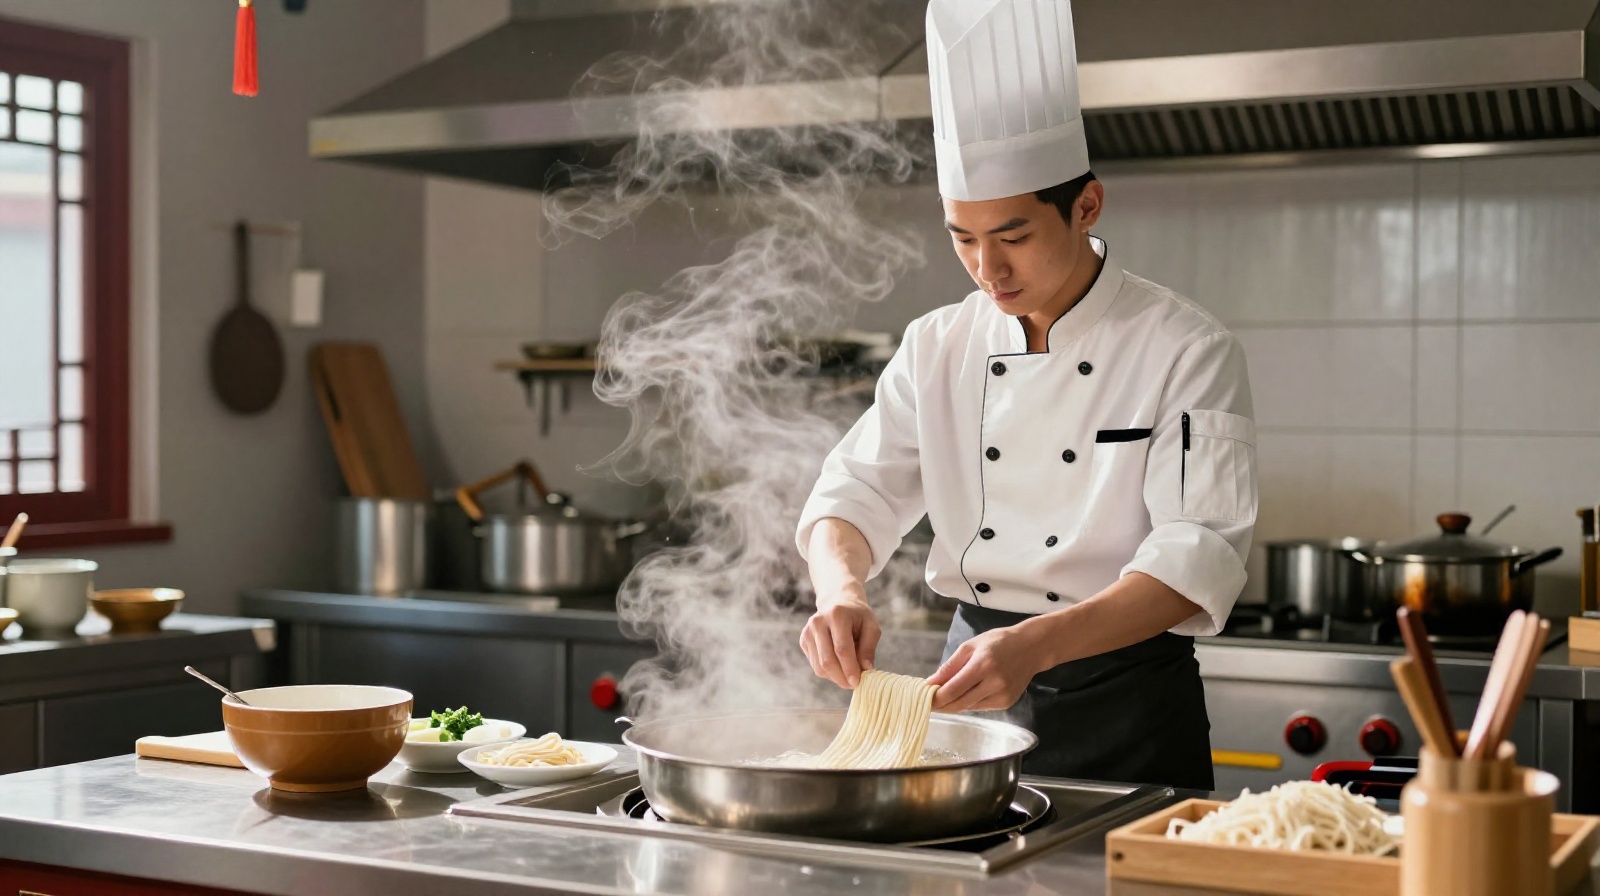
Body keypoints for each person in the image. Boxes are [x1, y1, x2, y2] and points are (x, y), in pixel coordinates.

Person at [793, 0, 1256, 790]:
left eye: (1013, 237)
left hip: (1128, 709)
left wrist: (1037, 644)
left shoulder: (1185, 346)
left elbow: (1198, 555)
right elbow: (854, 493)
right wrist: (840, 590)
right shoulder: (937, 344)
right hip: (968, 699)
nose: (989, 270)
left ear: (1086, 206)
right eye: (963, 239)